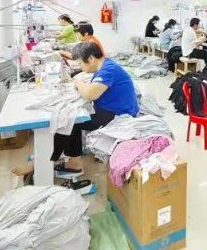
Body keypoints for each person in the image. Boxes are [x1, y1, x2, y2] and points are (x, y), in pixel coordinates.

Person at [12, 42, 138, 177]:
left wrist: (77, 83)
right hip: (111, 109)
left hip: (117, 115)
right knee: (69, 117)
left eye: (80, 63)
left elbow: (90, 94)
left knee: (68, 121)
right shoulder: (105, 66)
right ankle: (61, 155)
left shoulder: (108, 70)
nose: (80, 67)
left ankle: (70, 164)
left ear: (91, 58)